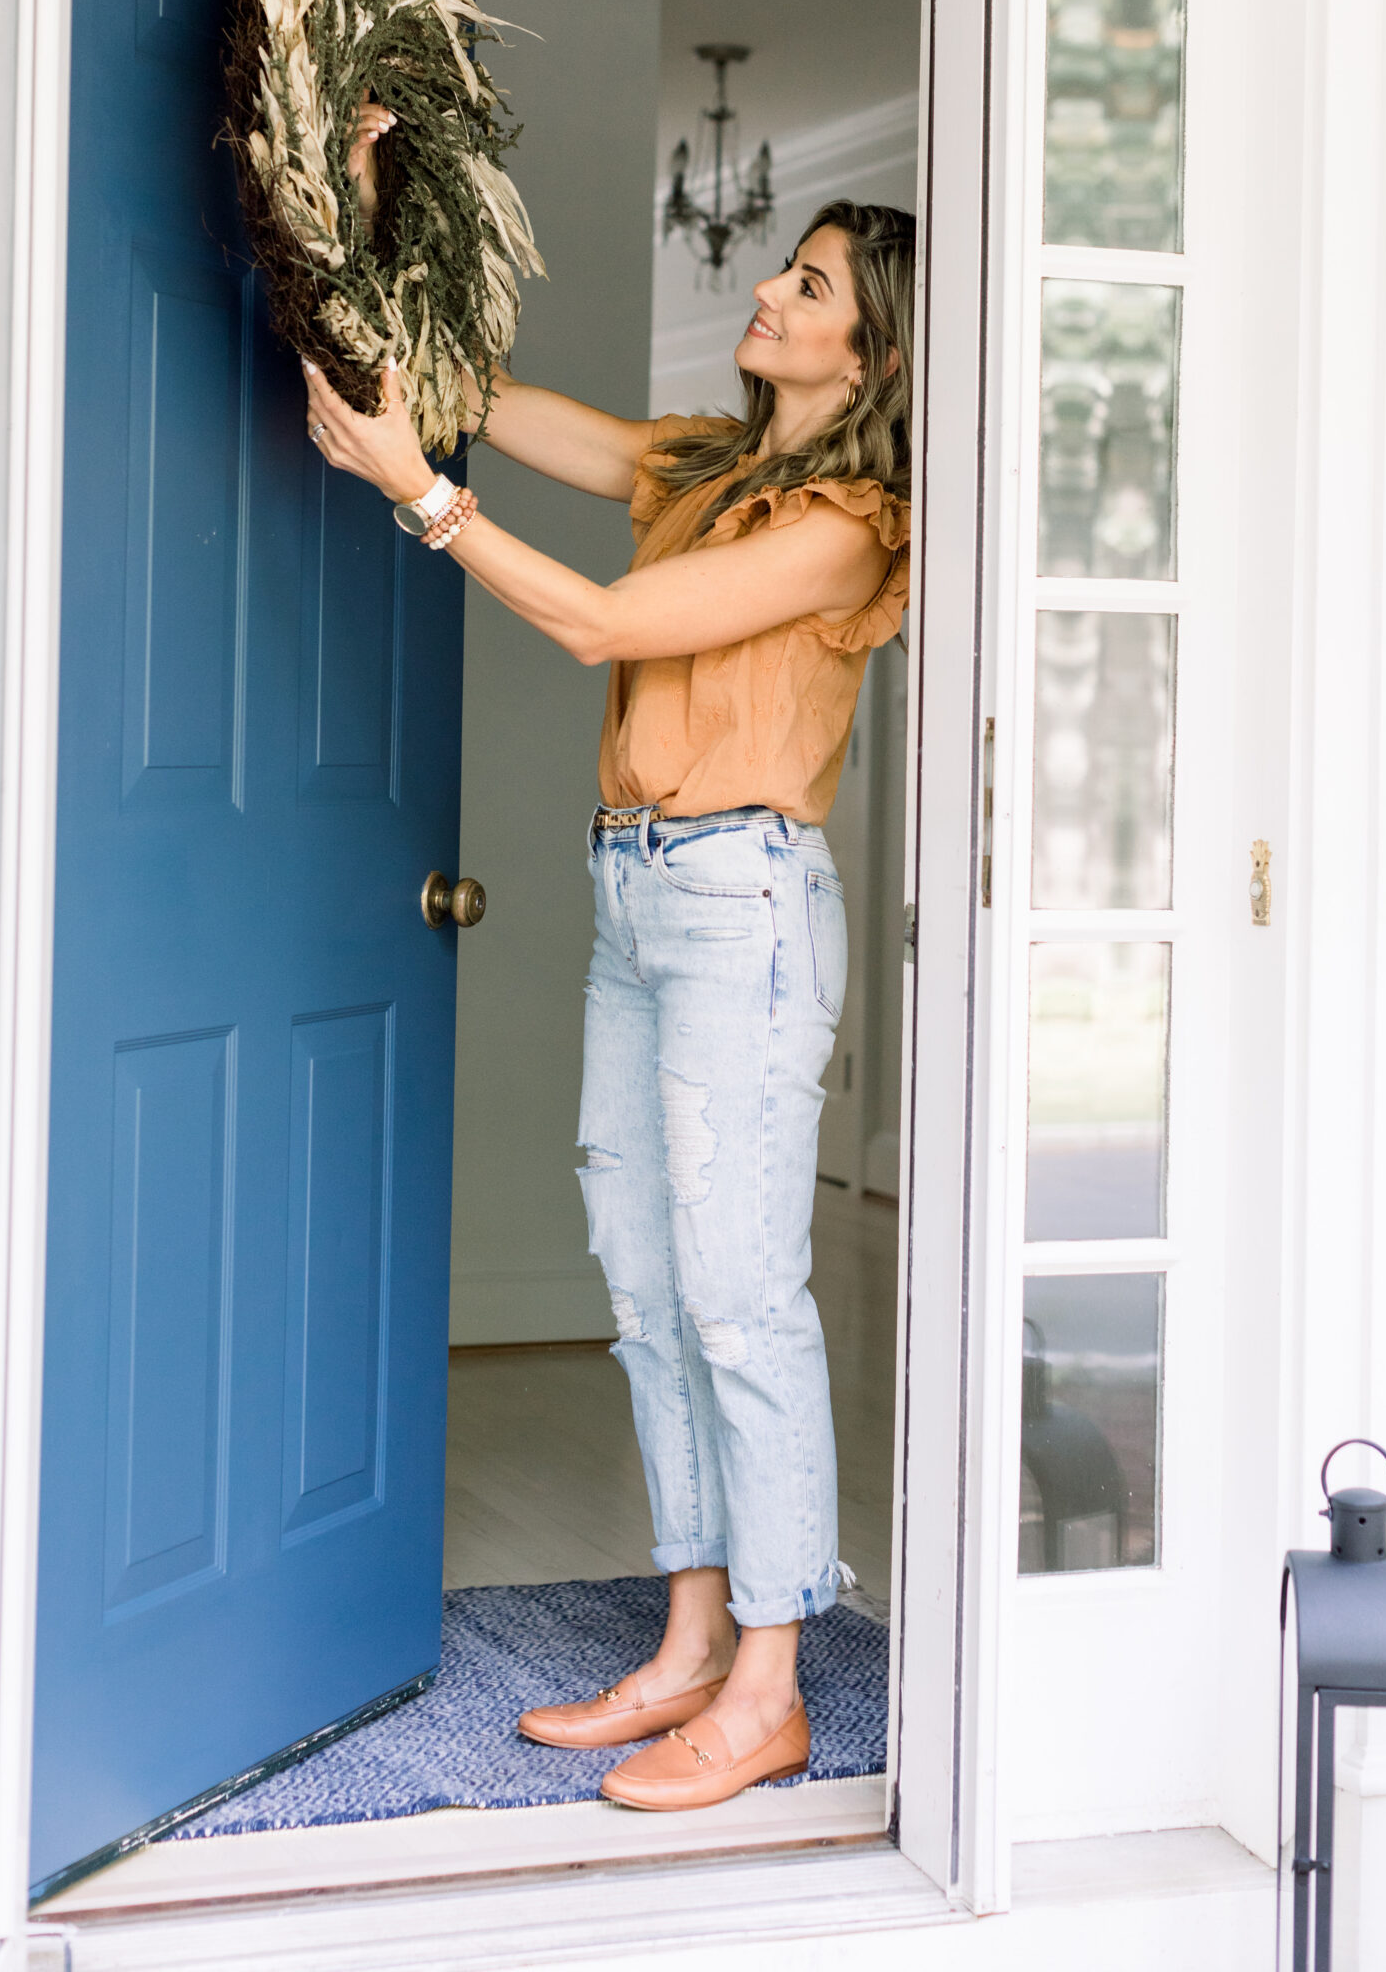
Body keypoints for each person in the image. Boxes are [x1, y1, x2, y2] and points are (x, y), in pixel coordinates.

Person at [302, 101, 915, 1814]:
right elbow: (472, 384)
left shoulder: (855, 523)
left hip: (744, 912)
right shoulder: (698, 468)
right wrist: (367, 196)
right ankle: (693, 1642)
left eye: (811, 290)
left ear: (867, 349)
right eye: (784, 276)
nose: (775, 302)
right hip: (641, 894)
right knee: (646, 1294)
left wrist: (421, 501)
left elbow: (601, 625)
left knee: (739, 1298)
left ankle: (778, 1687)